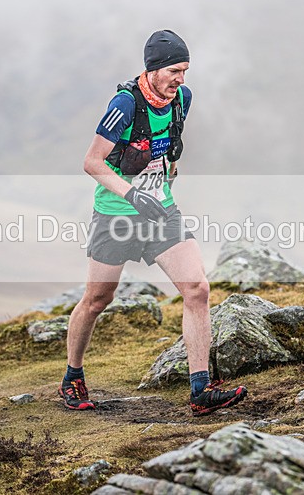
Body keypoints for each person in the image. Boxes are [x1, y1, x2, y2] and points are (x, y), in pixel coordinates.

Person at [59, 29, 247, 417]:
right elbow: (91, 162)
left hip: (161, 212)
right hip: (116, 216)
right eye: (175, 70)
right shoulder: (125, 104)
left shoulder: (182, 99)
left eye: (185, 71)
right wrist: (132, 195)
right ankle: (72, 377)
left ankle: (201, 390)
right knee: (97, 300)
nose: (181, 78)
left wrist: (165, 184)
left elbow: (171, 145)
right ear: (154, 69)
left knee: (197, 289)